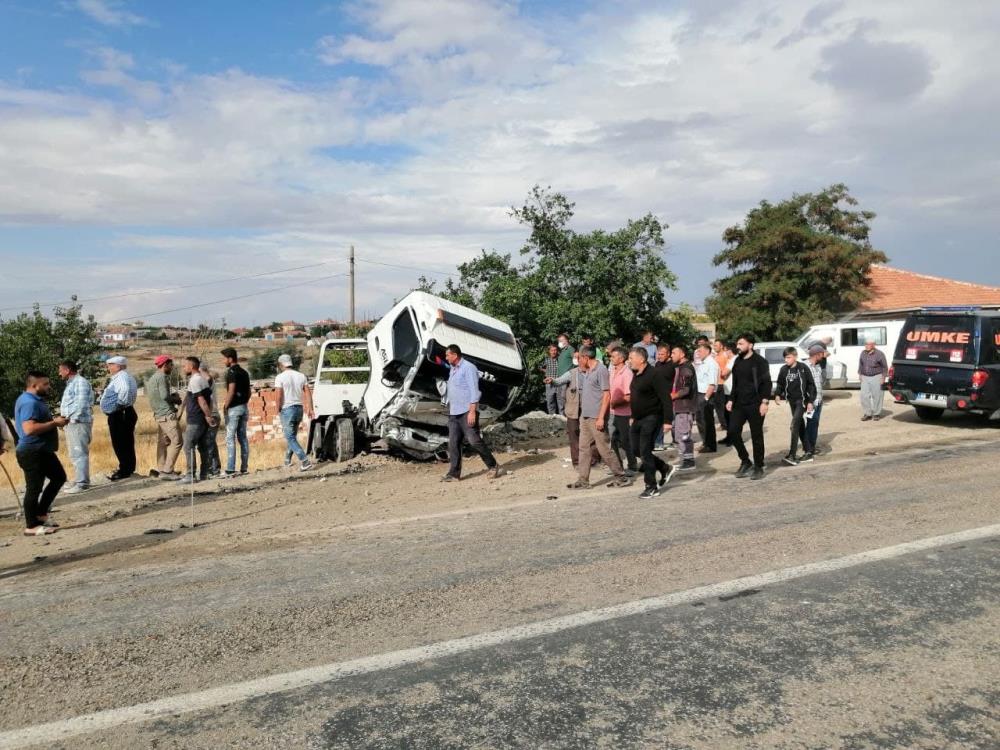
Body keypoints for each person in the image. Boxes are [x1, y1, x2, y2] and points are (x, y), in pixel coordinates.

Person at [566, 347, 632, 490]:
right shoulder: (588, 371)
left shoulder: (601, 370)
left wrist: (601, 417)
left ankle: (621, 476)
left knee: (604, 449)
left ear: (585, 357)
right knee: (584, 448)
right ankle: (583, 480)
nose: (578, 361)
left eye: (579, 358)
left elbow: (606, 395)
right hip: (586, 416)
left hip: (596, 417)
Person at [13, 371, 67, 536]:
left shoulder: (32, 400)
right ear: (34, 385)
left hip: (42, 450)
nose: (49, 387)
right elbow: (29, 429)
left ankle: (41, 514)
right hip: (32, 451)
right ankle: (31, 526)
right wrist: (54, 423)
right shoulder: (30, 403)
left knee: (59, 477)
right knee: (34, 488)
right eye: (45, 384)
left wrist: (54, 422)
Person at [442, 344, 505, 481]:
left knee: (474, 440)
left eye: (448, 355)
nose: (446, 358)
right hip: (454, 413)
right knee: (453, 443)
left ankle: (493, 465)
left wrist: (472, 411)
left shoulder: (468, 368)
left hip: (466, 411)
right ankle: (454, 473)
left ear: (455, 355)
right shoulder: (453, 369)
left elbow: (474, 391)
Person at [628, 347, 674, 499]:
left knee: (645, 451)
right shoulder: (636, 374)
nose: (629, 361)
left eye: (631, 358)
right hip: (638, 418)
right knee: (635, 450)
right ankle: (663, 467)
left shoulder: (655, 374)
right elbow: (636, 396)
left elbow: (666, 398)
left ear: (641, 359)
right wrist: (633, 415)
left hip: (652, 417)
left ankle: (651, 486)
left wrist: (668, 420)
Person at [726, 334, 772, 480]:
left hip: (756, 404)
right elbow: (736, 383)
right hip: (739, 404)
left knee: (756, 435)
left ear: (750, 345)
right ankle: (745, 461)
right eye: (737, 344)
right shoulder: (737, 361)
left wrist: (764, 402)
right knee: (733, 432)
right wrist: (731, 399)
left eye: (741, 344)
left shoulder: (760, 362)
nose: (738, 346)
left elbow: (767, 383)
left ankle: (759, 466)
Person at [547, 361, 600, 470]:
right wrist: (552, 380)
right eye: (578, 358)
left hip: (590, 409)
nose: (580, 361)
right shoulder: (571, 373)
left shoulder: (594, 372)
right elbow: (559, 381)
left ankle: (594, 460)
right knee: (573, 435)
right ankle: (576, 462)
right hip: (573, 409)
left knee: (593, 434)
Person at [774, 346, 817, 466]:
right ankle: (808, 451)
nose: (786, 360)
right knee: (800, 426)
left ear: (795, 356)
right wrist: (777, 394)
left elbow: (811, 385)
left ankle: (792, 454)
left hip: (801, 401)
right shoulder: (784, 369)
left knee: (794, 426)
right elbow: (780, 384)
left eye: (788, 357)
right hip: (791, 401)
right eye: (785, 358)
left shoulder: (803, 368)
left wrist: (810, 401)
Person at [179, 356, 217, 484]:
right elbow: (210, 399)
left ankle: (190, 475)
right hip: (201, 418)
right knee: (202, 446)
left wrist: (208, 416)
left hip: (196, 418)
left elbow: (201, 400)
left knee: (188, 445)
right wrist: (208, 415)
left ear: (191, 366)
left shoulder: (195, 381)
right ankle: (204, 473)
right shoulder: (202, 379)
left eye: (185, 366)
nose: (183, 368)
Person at [99, 355, 138, 481]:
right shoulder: (125, 376)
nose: (108, 367)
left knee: (121, 442)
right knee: (126, 441)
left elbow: (125, 390)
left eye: (111, 365)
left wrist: (119, 405)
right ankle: (128, 467)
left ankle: (125, 470)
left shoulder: (121, 377)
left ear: (119, 366)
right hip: (124, 412)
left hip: (120, 413)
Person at [58, 359, 93, 494]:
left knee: (79, 452)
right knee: (74, 453)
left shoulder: (80, 382)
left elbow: (82, 403)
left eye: (60, 370)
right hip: (72, 423)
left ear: (67, 370)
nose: (59, 373)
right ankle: (80, 479)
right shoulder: (72, 383)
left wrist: (71, 419)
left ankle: (82, 483)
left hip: (77, 423)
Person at [274, 353, 314, 471]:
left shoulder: (280, 377)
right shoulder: (301, 376)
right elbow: (308, 393)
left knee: (290, 437)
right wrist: (310, 408)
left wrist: (277, 408)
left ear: (281, 364)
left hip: (287, 409)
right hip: (299, 408)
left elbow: (279, 395)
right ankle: (287, 460)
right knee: (292, 436)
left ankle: (305, 461)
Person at [146, 355, 183, 480]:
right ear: (165, 365)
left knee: (163, 442)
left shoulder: (153, 378)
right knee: (177, 441)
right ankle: (167, 472)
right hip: (167, 415)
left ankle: (162, 469)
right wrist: (176, 399)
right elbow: (164, 396)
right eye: (171, 365)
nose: (172, 367)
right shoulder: (162, 377)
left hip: (159, 415)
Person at [221, 347, 251, 476]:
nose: (223, 361)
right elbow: (249, 392)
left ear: (230, 358)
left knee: (230, 438)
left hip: (234, 409)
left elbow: (231, 391)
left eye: (224, 358)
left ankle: (230, 468)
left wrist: (225, 406)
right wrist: (243, 402)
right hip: (244, 407)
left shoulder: (231, 372)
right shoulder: (244, 372)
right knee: (243, 438)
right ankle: (244, 467)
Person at [608, 347, 637, 474]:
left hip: (624, 413)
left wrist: (615, 402)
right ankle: (617, 467)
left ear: (621, 358)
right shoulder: (612, 371)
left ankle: (632, 466)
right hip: (612, 412)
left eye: (613, 356)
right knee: (611, 440)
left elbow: (629, 396)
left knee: (625, 441)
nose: (611, 358)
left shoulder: (627, 374)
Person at [670, 346, 698, 471]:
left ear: (682, 354)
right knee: (678, 435)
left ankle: (689, 461)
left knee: (684, 435)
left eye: (673, 353)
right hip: (679, 407)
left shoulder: (686, 369)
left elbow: (686, 389)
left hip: (685, 408)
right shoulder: (680, 368)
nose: (671, 355)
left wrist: (672, 396)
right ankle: (684, 460)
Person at [694, 342, 719, 454]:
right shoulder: (703, 363)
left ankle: (710, 445)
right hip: (699, 394)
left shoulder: (711, 364)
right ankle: (705, 442)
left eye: (700, 351)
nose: (698, 353)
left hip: (706, 395)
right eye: (698, 351)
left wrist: (706, 398)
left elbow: (712, 384)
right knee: (700, 420)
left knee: (707, 421)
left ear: (708, 351)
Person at [200, 364, 222, 478]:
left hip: (212, 415)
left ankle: (213, 469)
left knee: (209, 443)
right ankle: (214, 468)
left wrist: (201, 372)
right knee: (210, 443)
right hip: (210, 415)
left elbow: (208, 377)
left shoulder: (207, 379)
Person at [858, 338, 889, 421]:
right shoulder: (863, 353)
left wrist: (883, 377)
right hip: (865, 376)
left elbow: (884, 367)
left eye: (868, 344)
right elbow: (860, 364)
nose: (866, 346)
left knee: (877, 395)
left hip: (876, 376)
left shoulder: (879, 354)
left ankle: (876, 413)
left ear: (873, 345)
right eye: (866, 344)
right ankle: (867, 413)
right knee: (864, 396)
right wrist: (860, 374)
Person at [805, 344, 827, 455]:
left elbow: (821, 382)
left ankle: (811, 447)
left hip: (819, 400)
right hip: (810, 402)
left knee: (814, 424)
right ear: (817, 354)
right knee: (811, 423)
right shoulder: (805, 366)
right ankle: (809, 448)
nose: (823, 357)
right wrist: (808, 401)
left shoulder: (818, 366)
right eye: (822, 354)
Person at [653, 343, 675, 450]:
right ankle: (658, 443)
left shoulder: (672, 365)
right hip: (658, 397)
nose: (659, 356)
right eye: (658, 354)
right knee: (658, 421)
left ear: (668, 354)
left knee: (671, 421)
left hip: (669, 397)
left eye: (662, 354)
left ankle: (676, 441)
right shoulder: (657, 364)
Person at [713, 339, 735, 442]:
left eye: (717, 345)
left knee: (729, 414)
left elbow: (724, 373)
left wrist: (715, 370)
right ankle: (729, 436)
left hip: (728, 389)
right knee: (725, 413)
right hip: (724, 388)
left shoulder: (731, 359)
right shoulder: (725, 359)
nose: (714, 346)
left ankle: (732, 437)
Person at [539, 344, 562, 415]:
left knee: (561, 402)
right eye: (552, 350)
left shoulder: (560, 359)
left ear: (557, 351)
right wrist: (546, 372)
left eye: (555, 350)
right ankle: (552, 418)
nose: (554, 352)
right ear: (549, 351)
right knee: (550, 401)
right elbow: (540, 367)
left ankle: (563, 418)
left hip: (559, 383)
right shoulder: (546, 359)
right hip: (549, 384)